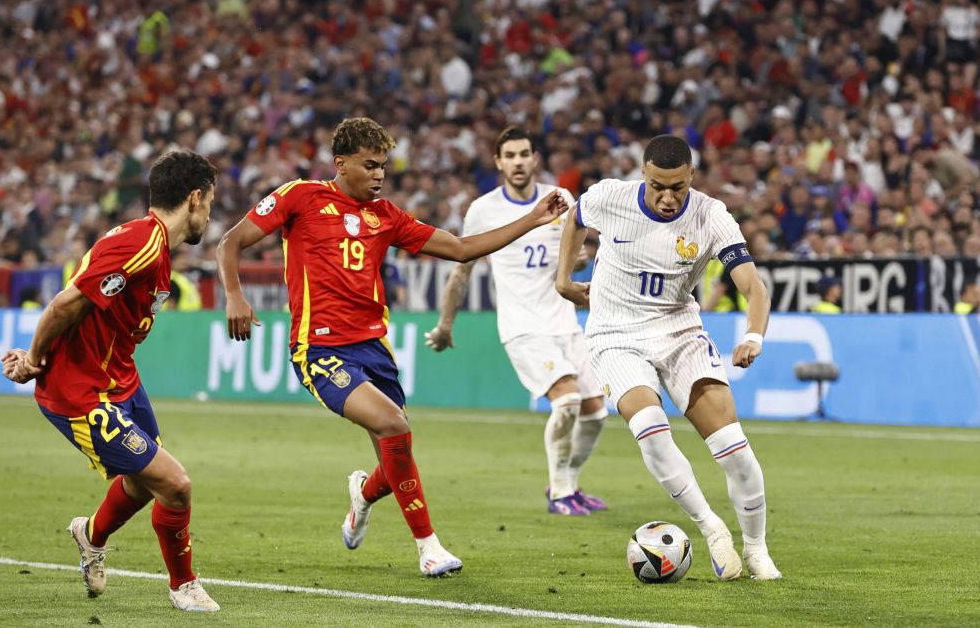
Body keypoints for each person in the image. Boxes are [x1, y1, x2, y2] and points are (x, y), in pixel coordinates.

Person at [217, 117, 567, 577]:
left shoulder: (386, 216)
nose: (380, 175)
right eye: (370, 165)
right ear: (341, 164)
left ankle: (363, 495)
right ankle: (429, 548)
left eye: (384, 166)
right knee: (394, 426)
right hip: (320, 350)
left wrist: (532, 219)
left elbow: (461, 249)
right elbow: (231, 241)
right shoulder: (300, 196)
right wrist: (234, 294)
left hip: (374, 349)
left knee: (394, 451)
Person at [1, 150, 221, 611]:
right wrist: (33, 360)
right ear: (195, 198)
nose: (210, 215)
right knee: (175, 484)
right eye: (211, 203)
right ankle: (183, 586)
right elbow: (65, 304)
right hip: (78, 392)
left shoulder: (157, 251)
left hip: (118, 378)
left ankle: (90, 535)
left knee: (144, 482)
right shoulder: (140, 243)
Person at [555, 134, 781, 581]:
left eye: (676, 186)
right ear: (643, 172)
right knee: (651, 430)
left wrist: (754, 335)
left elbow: (754, 286)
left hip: (679, 331)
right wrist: (564, 279)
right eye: (657, 184)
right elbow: (575, 219)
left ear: (692, 177)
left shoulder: (711, 215)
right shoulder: (609, 197)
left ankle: (756, 549)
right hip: (615, 334)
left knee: (734, 451)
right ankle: (712, 528)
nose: (666, 195)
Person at [425, 126, 609, 516]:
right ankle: (560, 493)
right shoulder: (483, 210)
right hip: (522, 327)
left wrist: (573, 260)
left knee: (596, 412)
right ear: (498, 162)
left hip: (565, 322)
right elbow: (462, 271)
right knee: (569, 400)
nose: (518, 161)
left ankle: (568, 485)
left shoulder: (559, 199)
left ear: (535, 157)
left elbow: (576, 253)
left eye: (524, 153)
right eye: (510, 155)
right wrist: (445, 326)